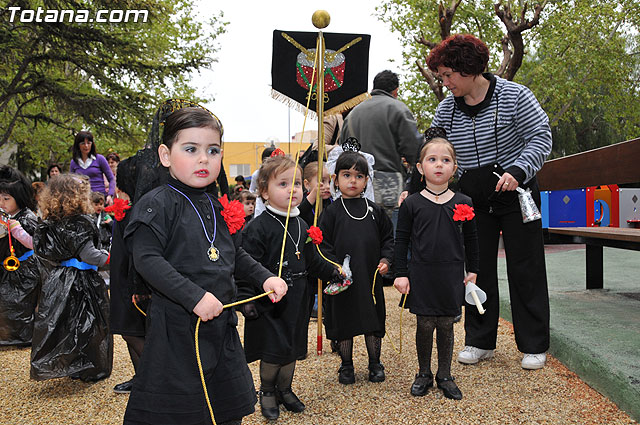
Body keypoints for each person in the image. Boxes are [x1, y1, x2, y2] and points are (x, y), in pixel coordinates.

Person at [122, 107, 288, 425]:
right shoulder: (157, 203)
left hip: (220, 326)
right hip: (176, 330)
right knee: (182, 412)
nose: (203, 159)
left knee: (224, 407)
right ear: (165, 155)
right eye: (191, 149)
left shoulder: (214, 203)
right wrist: (193, 296)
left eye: (212, 151)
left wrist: (265, 278)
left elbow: (233, 255)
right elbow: (147, 260)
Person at [427, 34, 552, 370]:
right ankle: (480, 340)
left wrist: (518, 169)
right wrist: (417, 185)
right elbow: (433, 151)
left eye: (449, 75)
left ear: (469, 69)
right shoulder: (445, 109)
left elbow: (541, 137)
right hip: (474, 201)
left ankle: (534, 344)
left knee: (526, 269)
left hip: (517, 193)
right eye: (441, 76)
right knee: (475, 270)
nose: (445, 82)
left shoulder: (515, 95)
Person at [237, 155, 341, 420]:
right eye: (282, 184)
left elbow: (313, 259)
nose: (291, 189)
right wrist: (246, 298)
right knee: (274, 350)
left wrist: (333, 271)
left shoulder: (302, 223)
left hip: (297, 299)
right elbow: (246, 266)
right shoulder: (257, 228)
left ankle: (285, 388)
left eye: (295, 183)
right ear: (264, 192)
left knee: (292, 347)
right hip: (269, 304)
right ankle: (267, 391)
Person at [393, 137, 479, 400]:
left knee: (446, 324)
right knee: (425, 323)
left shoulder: (464, 201)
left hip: (451, 272)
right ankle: (423, 373)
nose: (439, 165)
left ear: (454, 168)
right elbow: (402, 240)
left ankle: (445, 374)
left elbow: (472, 240)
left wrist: (472, 270)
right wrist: (400, 272)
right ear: (420, 168)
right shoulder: (412, 203)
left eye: (446, 160)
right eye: (432, 159)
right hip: (422, 272)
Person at [319, 150, 394, 385]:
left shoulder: (376, 211)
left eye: (359, 176)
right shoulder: (330, 212)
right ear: (335, 179)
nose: (353, 181)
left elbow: (388, 240)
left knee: (373, 321)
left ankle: (375, 363)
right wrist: (333, 267)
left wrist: (386, 260)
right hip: (342, 280)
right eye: (346, 175)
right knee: (344, 322)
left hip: (370, 278)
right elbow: (323, 244)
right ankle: (346, 364)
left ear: (367, 180)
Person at [31, 174, 112, 382]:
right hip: (82, 281)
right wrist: (113, 258)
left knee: (67, 323)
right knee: (90, 323)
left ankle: (72, 364)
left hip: (59, 279)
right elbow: (90, 255)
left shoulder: (49, 223)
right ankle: (89, 367)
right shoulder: (80, 223)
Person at [339, 70, 421, 220]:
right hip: (388, 184)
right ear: (395, 90)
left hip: (355, 185)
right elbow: (415, 151)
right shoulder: (398, 109)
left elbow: (342, 151)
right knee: (390, 237)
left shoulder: (352, 114)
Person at [106, 156, 148, 395]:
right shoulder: (127, 211)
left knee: (134, 332)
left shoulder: (139, 214)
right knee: (128, 332)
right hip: (122, 279)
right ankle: (141, 376)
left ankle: (152, 377)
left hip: (134, 283)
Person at [0, 166, 40, 346]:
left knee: (18, 303)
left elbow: (37, 243)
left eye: (6, 198)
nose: (1, 202)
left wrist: (16, 230)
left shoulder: (27, 217)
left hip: (24, 270)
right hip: (5, 268)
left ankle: (20, 336)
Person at [69, 130, 116, 205]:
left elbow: (111, 179)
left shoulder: (100, 159)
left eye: (88, 143)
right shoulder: (74, 162)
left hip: (100, 202)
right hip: (82, 202)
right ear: (78, 145)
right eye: (83, 143)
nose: (86, 146)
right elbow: (71, 184)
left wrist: (110, 195)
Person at [249, 146, 276, 218]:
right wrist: (260, 195)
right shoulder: (257, 174)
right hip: (261, 205)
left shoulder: (281, 174)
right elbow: (251, 190)